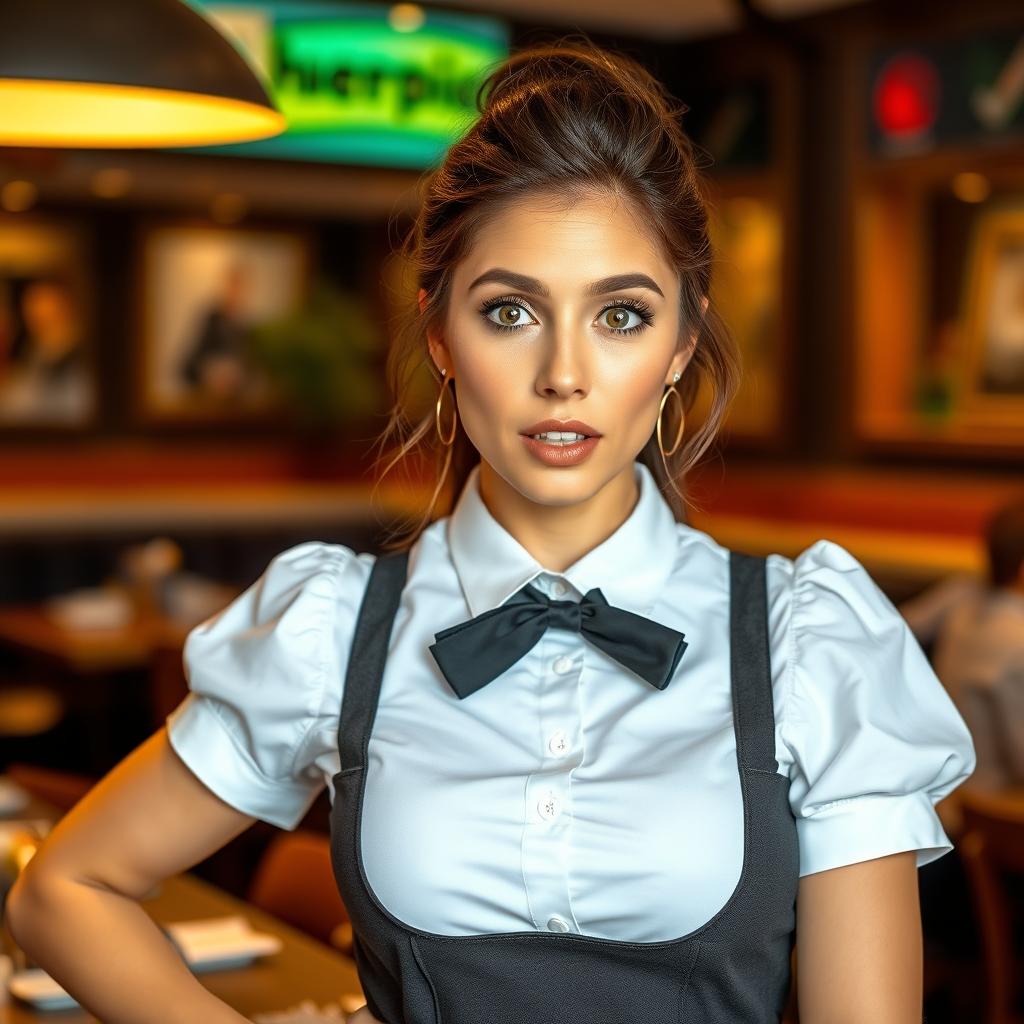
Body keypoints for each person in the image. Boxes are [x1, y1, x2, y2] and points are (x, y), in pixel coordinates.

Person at [8, 41, 975, 1024]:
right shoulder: (335, 628)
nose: (563, 371)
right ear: (439, 334)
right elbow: (62, 891)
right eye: (509, 310)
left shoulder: (807, 640)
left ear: (682, 343)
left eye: (621, 315)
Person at [900, 497, 1024, 792]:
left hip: (936, 782)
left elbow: (887, 629)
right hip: (989, 806)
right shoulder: (1017, 643)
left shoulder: (959, 593)